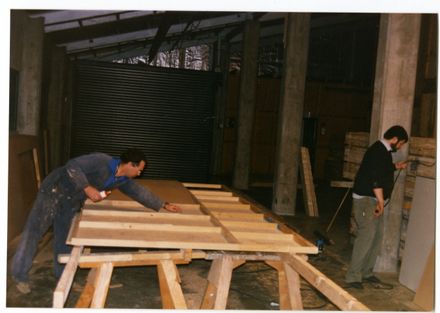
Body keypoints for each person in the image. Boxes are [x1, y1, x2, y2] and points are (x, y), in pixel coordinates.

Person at [11, 148, 182, 294]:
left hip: (71, 200)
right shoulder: (101, 161)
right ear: (130, 164)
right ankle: (19, 275)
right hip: (54, 191)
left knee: (65, 239)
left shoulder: (122, 179)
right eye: (139, 169)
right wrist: (87, 187)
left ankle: (63, 278)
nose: (140, 173)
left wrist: (163, 204)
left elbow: (139, 192)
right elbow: (72, 165)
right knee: (34, 232)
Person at [345, 125, 408, 290]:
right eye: (400, 143)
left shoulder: (383, 151)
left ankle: (366, 272)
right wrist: (380, 202)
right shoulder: (378, 151)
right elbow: (375, 179)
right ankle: (353, 277)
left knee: (377, 236)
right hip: (367, 200)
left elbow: (381, 169)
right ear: (394, 139)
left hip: (373, 199)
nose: (400, 147)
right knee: (366, 237)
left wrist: (396, 166)